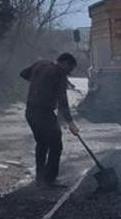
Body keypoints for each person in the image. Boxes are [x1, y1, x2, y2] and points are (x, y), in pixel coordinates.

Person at [21, 52, 80, 187]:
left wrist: (38, 82)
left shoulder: (40, 64)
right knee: (56, 145)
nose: (69, 72)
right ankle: (49, 179)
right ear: (65, 63)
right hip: (44, 113)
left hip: (30, 112)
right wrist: (71, 123)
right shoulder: (59, 74)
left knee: (41, 143)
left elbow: (23, 74)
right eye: (70, 69)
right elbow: (63, 102)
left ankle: (40, 178)